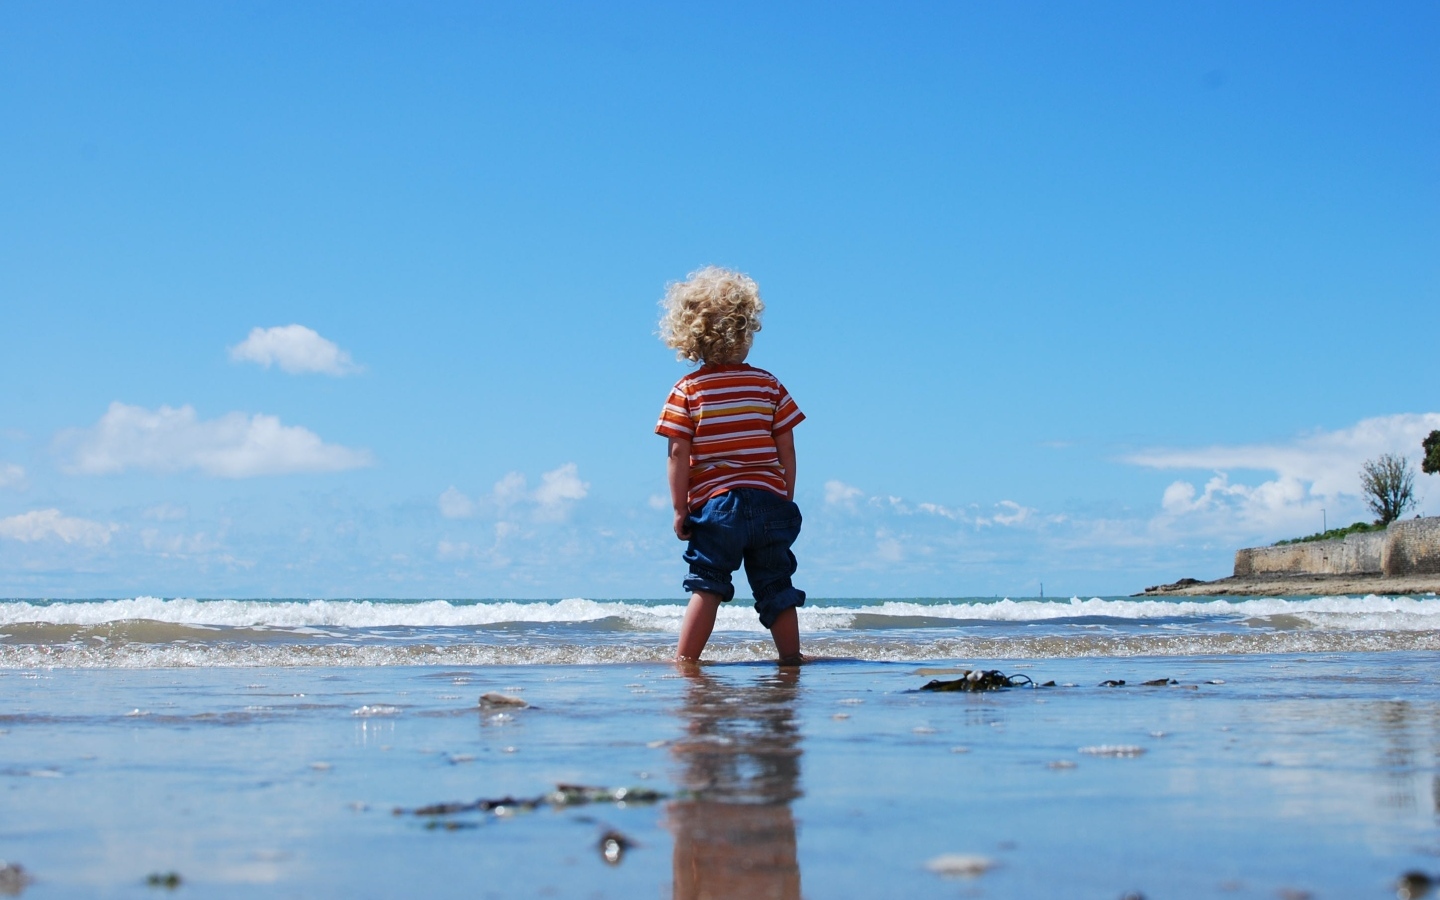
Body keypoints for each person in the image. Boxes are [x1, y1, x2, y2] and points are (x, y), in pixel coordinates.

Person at [655, 266, 807, 664]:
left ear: (691, 337)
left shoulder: (687, 391)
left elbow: (677, 454)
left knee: (707, 585)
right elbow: (786, 446)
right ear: (746, 330)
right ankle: (791, 660)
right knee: (776, 584)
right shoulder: (768, 385)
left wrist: (679, 508)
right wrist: (784, 493)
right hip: (770, 503)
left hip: (717, 507)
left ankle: (686, 662)